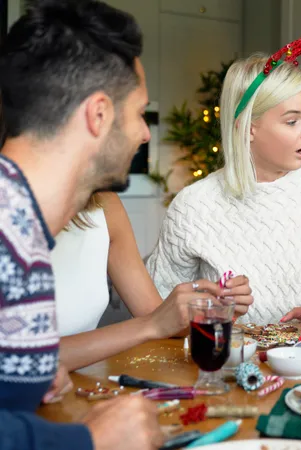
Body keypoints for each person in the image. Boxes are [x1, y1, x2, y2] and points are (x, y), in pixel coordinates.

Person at [0, 1, 165, 449]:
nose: (144, 134)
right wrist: (90, 439)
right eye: (138, 113)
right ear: (98, 115)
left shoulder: (24, 225)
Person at [146, 42, 301, 336]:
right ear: (248, 127)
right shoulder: (194, 205)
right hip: (228, 368)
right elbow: (156, 311)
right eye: (292, 120)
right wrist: (214, 306)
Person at [51, 192, 254, 371]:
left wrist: (213, 310)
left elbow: (162, 321)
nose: (143, 146)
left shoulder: (105, 204)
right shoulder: (22, 213)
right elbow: (25, 361)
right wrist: (150, 325)